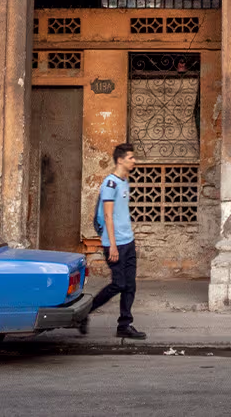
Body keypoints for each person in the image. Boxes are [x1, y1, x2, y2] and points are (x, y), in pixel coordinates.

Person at [90, 143, 145, 339]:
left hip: (127, 242)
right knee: (119, 284)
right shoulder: (110, 184)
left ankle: (124, 325)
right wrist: (112, 245)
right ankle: (85, 312)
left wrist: (131, 239)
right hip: (114, 244)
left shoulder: (124, 182)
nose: (134, 161)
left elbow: (122, 214)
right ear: (120, 160)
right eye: (131, 157)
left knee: (130, 285)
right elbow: (108, 216)